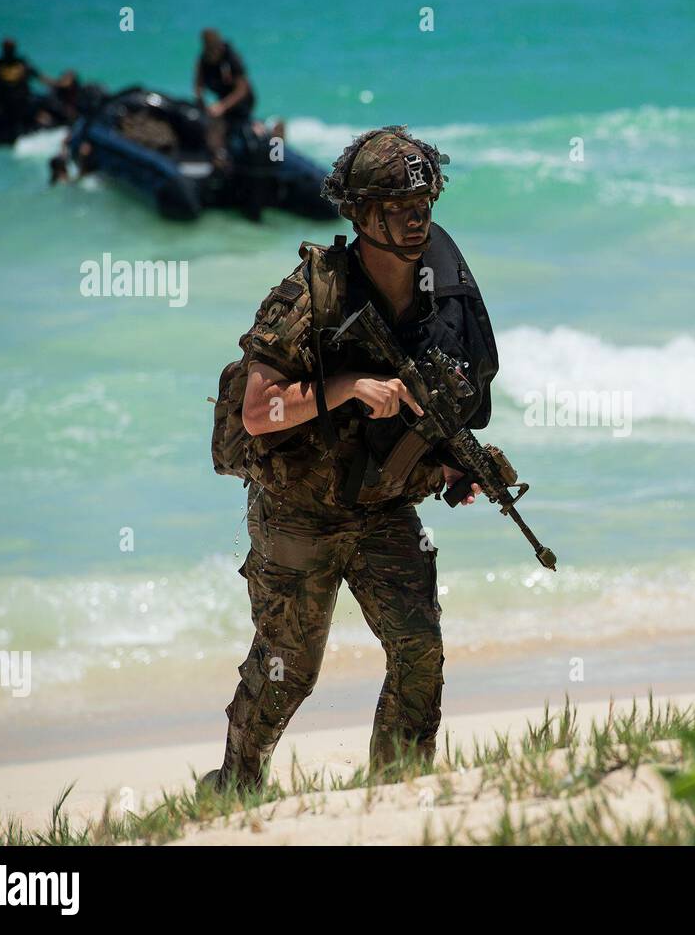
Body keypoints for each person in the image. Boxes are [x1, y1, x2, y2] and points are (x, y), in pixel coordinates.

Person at [204, 126, 502, 792]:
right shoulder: (309, 293)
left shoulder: (437, 289)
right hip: (298, 512)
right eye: (401, 207)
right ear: (363, 215)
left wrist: (454, 462)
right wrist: (342, 388)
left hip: (380, 506)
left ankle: (396, 788)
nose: (419, 217)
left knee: (419, 649)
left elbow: (447, 386)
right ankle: (235, 785)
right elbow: (258, 412)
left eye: (425, 202)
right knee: (289, 668)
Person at [193, 28, 255, 168]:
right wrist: (200, 100)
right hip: (222, 99)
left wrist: (222, 106)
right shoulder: (204, 59)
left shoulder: (231, 59)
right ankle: (218, 157)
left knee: (222, 126)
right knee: (212, 124)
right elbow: (198, 85)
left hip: (241, 100)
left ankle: (224, 159)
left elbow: (242, 89)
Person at [0, 38, 49, 128]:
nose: (8, 50)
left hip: (22, 99)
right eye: (7, 48)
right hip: (6, 100)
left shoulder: (21, 62)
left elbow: (37, 75)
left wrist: (54, 84)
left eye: (10, 48)